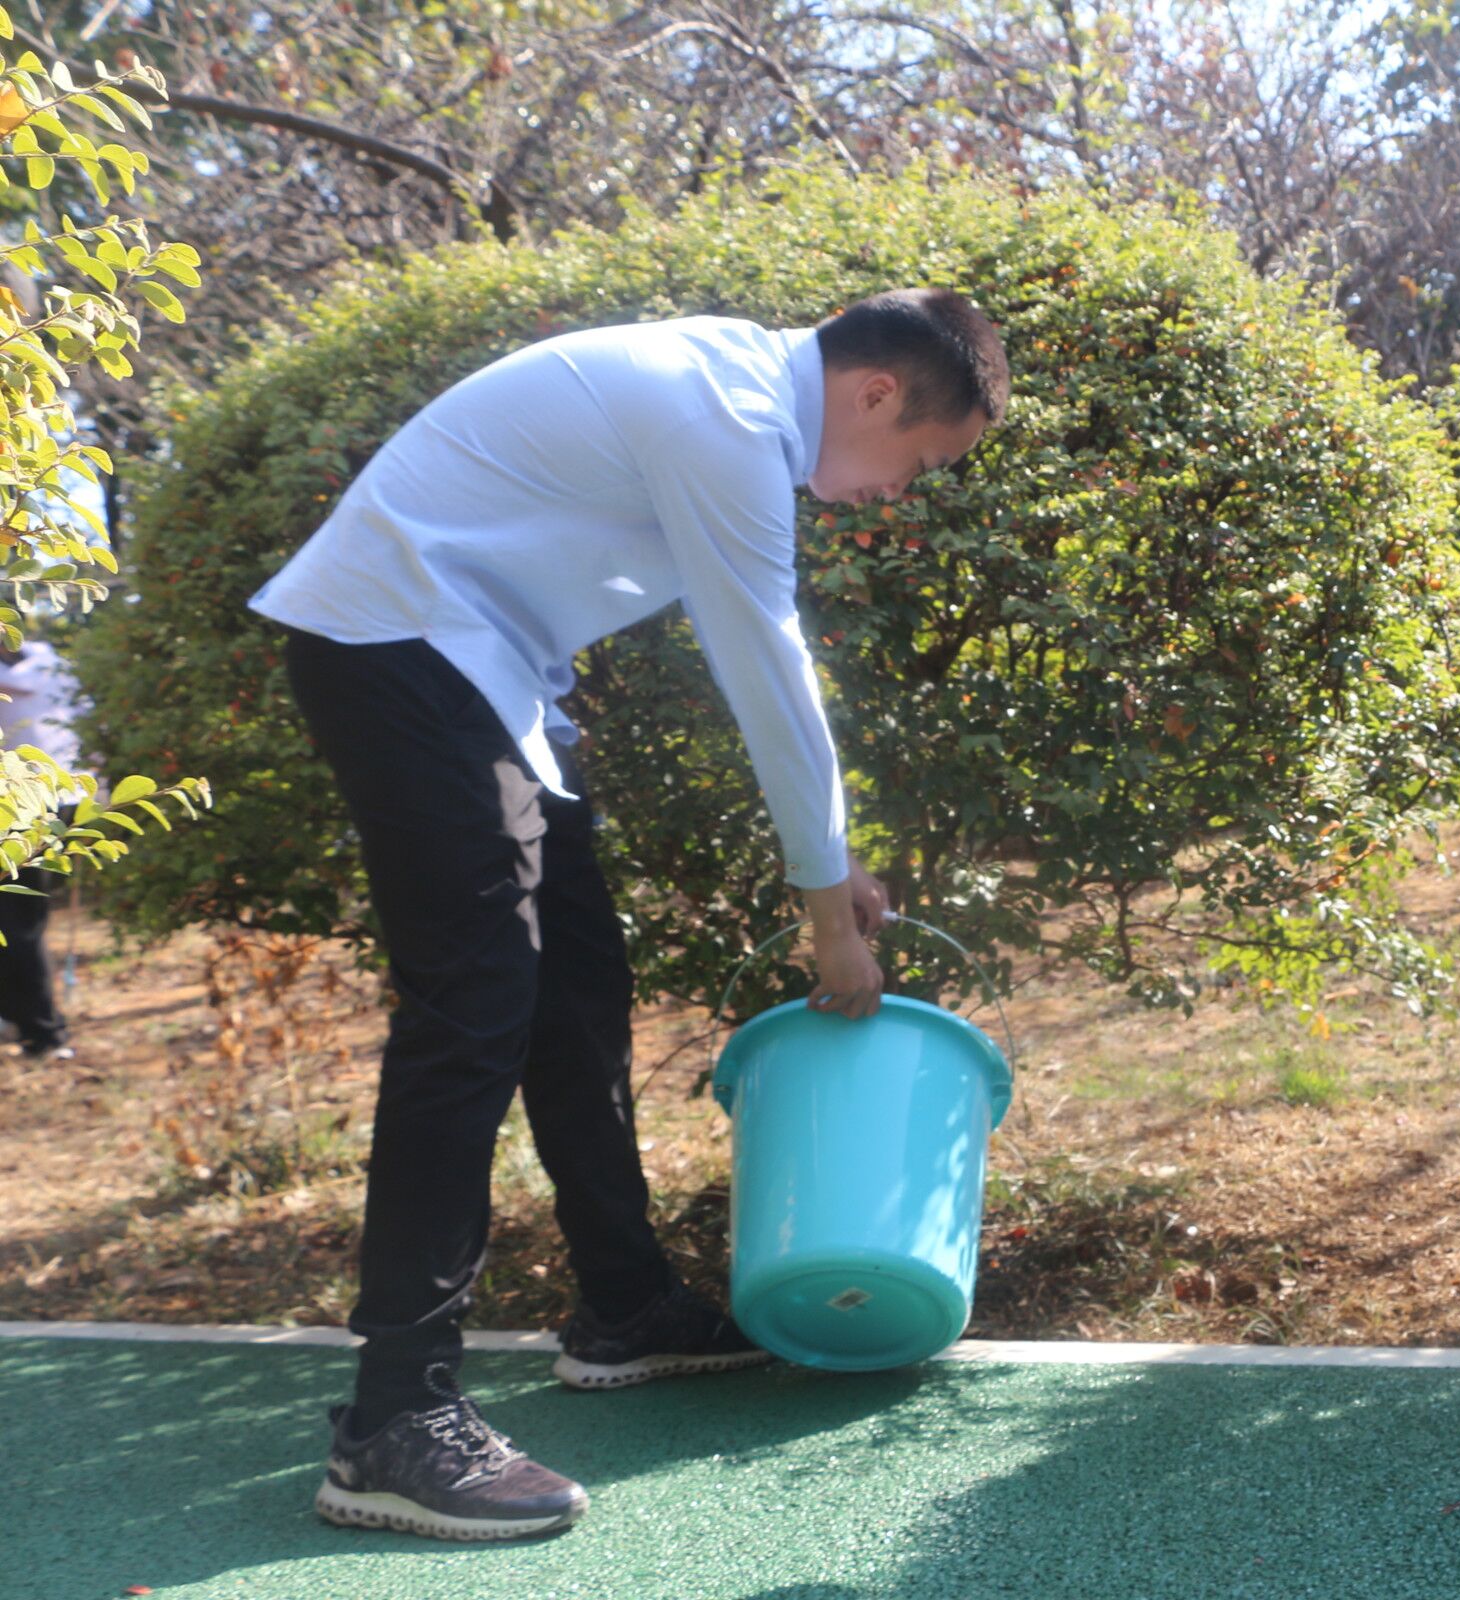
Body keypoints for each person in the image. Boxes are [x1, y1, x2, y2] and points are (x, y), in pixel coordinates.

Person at [252, 290, 1009, 1540]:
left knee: (577, 989)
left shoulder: (737, 400)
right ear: (876, 393)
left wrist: (835, 866)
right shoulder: (723, 416)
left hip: (484, 668)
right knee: (471, 1010)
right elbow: (766, 661)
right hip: (397, 641)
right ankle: (394, 1417)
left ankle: (624, 1304)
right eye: (920, 461)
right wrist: (827, 909)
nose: (899, 492)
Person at [0, 638, 84, 1061]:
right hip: (58, 799)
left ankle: (42, 1032)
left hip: (19, 806)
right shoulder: (50, 661)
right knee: (21, 919)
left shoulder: (41, 666)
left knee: (16, 922)